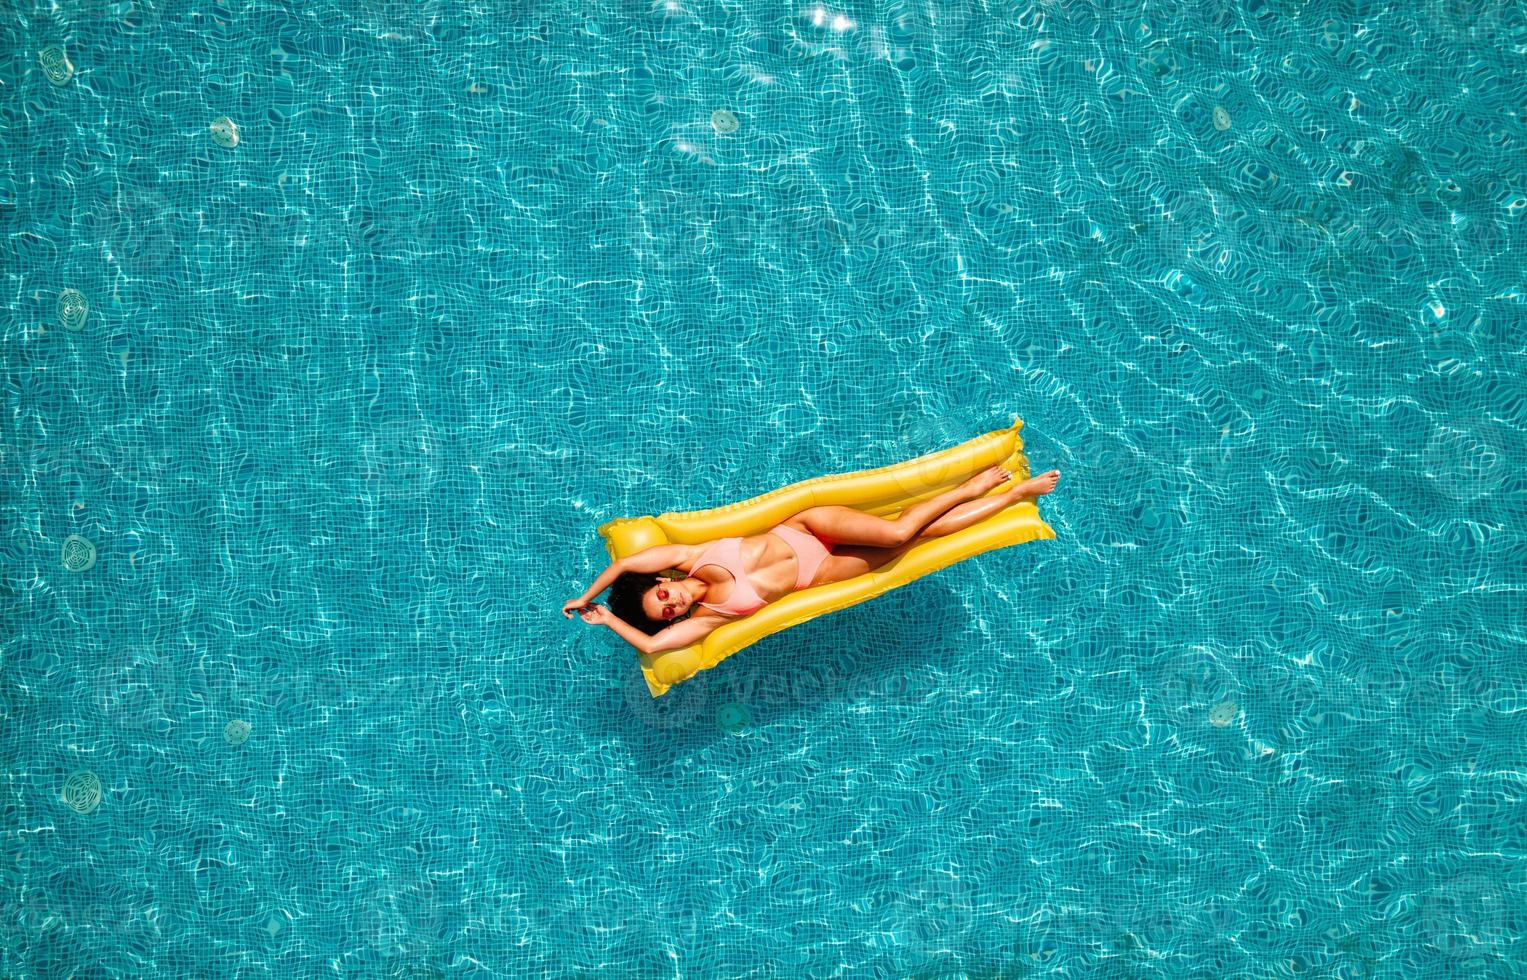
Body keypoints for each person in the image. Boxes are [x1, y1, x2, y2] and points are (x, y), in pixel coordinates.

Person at [563, 465, 1060, 656]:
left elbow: (625, 566)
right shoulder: (709, 619)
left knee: (898, 530)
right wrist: (606, 619)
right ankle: (1017, 494)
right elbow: (653, 650)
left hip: (808, 528)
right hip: (818, 572)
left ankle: (969, 485)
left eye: (661, 596)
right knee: (921, 539)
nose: (671, 605)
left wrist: (588, 596)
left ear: (660, 581)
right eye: (667, 612)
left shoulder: (688, 556)